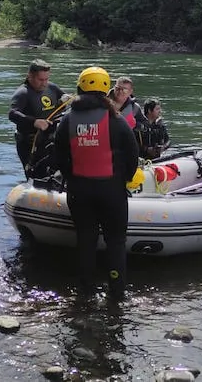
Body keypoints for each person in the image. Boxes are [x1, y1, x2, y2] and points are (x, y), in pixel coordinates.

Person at [53, 66, 139, 301]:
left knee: (86, 240)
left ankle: (86, 291)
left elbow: (59, 156)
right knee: (116, 242)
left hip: (79, 191)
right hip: (111, 191)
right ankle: (116, 292)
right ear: (105, 90)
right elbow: (132, 155)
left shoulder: (68, 119)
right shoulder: (116, 120)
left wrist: (71, 178)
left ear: (79, 88)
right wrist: (124, 179)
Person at [8, 59, 67, 179]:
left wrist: (66, 100)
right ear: (30, 76)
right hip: (30, 144)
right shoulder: (23, 93)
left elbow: (66, 99)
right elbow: (12, 114)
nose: (44, 83)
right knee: (36, 177)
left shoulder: (52, 88)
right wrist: (34, 122)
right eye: (40, 80)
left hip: (50, 141)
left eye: (46, 79)